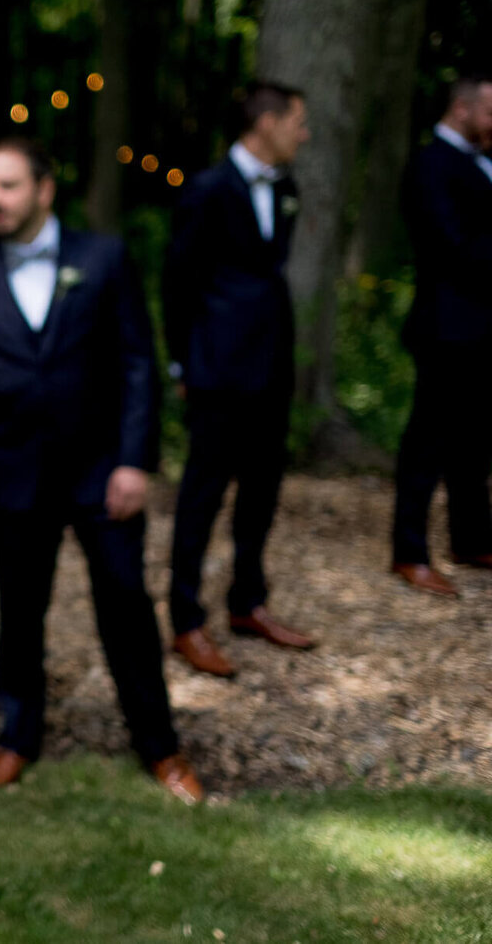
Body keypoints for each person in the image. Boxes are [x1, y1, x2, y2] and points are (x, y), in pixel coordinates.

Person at [0, 137, 201, 803]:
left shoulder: (102, 259)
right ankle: (17, 737)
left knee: (126, 605)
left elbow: (139, 362)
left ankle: (160, 746)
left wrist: (136, 461)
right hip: (11, 476)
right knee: (20, 612)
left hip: (101, 472)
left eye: (8, 186)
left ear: (44, 190)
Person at [162, 81, 315, 680]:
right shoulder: (205, 191)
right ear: (267, 123)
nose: (303, 134)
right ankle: (184, 619)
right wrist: (182, 364)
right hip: (218, 374)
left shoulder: (286, 188)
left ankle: (248, 602)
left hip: (272, 367)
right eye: (296, 122)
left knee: (262, 490)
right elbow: (178, 284)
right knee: (201, 497)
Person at [389, 74, 492, 597]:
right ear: (462, 108)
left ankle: (472, 538)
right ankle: (408, 551)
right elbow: (449, 246)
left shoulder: (482, 161)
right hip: (446, 325)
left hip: (483, 327)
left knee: (475, 441)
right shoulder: (430, 164)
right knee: (427, 441)